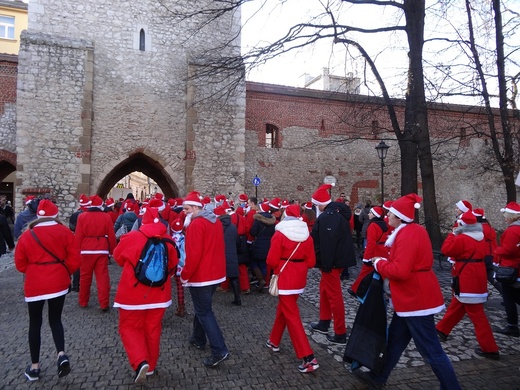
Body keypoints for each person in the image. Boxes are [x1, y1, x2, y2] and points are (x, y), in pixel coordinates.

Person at [355, 193, 461, 389]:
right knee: (395, 341)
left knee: (431, 349)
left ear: (399, 217)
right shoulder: (411, 231)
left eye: (390, 214)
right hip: (409, 300)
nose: (387, 217)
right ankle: (378, 377)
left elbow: (400, 271)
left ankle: (451, 386)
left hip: (415, 300)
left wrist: (379, 264)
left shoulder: (407, 234)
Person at [14, 200, 81, 381]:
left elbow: (20, 264)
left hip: (35, 284)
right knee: (55, 320)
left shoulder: (27, 235)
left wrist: (35, 270)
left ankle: (35, 367)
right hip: (58, 282)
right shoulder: (65, 232)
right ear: (56, 214)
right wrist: (64, 270)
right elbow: (75, 258)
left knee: (35, 323)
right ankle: (61, 354)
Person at [113, 207, 179, 383]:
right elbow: (173, 265)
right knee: (153, 328)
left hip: (132, 294)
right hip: (159, 295)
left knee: (128, 327)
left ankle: (140, 361)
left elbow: (117, 257)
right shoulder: (169, 240)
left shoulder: (133, 237)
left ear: (143, 221)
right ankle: (151, 365)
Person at [436, 211, 499, 359]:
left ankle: (490, 347)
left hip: (466, 277)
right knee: (458, 305)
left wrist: (452, 234)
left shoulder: (462, 238)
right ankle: (442, 329)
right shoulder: (481, 239)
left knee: (477, 314)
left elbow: (446, 250)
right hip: (477, 275)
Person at [265, 204, 318, 373]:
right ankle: (274, 341)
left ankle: (308, 357)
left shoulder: (279, 234)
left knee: (292, 316)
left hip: (284, 277)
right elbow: (311, 262)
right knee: (284, 309)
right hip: (299, 280)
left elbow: (271, 261)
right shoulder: (307, 236)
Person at [180, 191, 230, 368]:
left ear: (196, 207)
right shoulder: (215, 221)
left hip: (202, 276)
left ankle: (219, 350)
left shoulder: (196, 225)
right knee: (202, 308)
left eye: (186, 208)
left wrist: (185, 275)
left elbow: (193, 256)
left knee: (204, 312)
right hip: (215, 274)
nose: (184, 211)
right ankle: (198, 338)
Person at [309, 183, 356, 345]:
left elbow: (328, 243)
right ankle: (324, 321)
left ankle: (340, 332)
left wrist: (326, 264)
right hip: (334, 260)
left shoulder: (328, 217)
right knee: (324, 290)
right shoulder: (335, 213)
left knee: (335, 297)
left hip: (332, 262)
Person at [75, 195, 117, 311]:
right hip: (101, 249)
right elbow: (111, 236)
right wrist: (113, 250)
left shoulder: (82, 217)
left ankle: (83, 301)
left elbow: (78, 236)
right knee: (102, 277)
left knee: (85, 277)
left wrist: (77, 251)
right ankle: (104, 303)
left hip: (86, 249)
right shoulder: (106, 217)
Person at [349, 206, 389, 297]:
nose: (368, 214)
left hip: (375, 251)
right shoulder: (383, 224)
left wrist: (367, 258)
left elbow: (371, 243)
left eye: (371, 213)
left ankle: (356, 289)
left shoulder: (373, 226)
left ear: (375, 215)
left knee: (365, 270)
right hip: (383, 250)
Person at [493, 201, 520, 337]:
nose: (504, 218)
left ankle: (512, 325)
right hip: (516, 267)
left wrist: (498, 251)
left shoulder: (512, 231)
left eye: (505, 215)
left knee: (509, 297)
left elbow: (509, 250)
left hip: (511, 268)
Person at [214, 203, 241, 305]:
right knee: (234, 277)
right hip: (232, 253)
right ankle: (237, 298)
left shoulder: (217, 226)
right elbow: (237, 241)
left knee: (215, 276)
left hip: (219, 254)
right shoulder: (233, 226)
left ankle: (209, 298)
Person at [473, 208, 502, 296]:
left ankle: (481, 293)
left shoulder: (479, 228)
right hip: (490, 254)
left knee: (482, 275)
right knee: (489, 275)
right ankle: (502, 291)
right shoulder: (489, 227)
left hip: (482, 255)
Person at [250, 201, 276, 292]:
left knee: (253, 262)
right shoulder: (273, 221)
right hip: (268, 244)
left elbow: (253, 232)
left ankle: (261, 279)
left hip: (258, 244)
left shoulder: (257, 220)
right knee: (264, 263)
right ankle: (264, 280)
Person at [171, 218, 187, 317]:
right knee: (181, 287)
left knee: (178, 286)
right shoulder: (185, 238)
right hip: (184, 265)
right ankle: (182, 307)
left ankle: (179, 307)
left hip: (174, 265)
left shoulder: (171, 239)